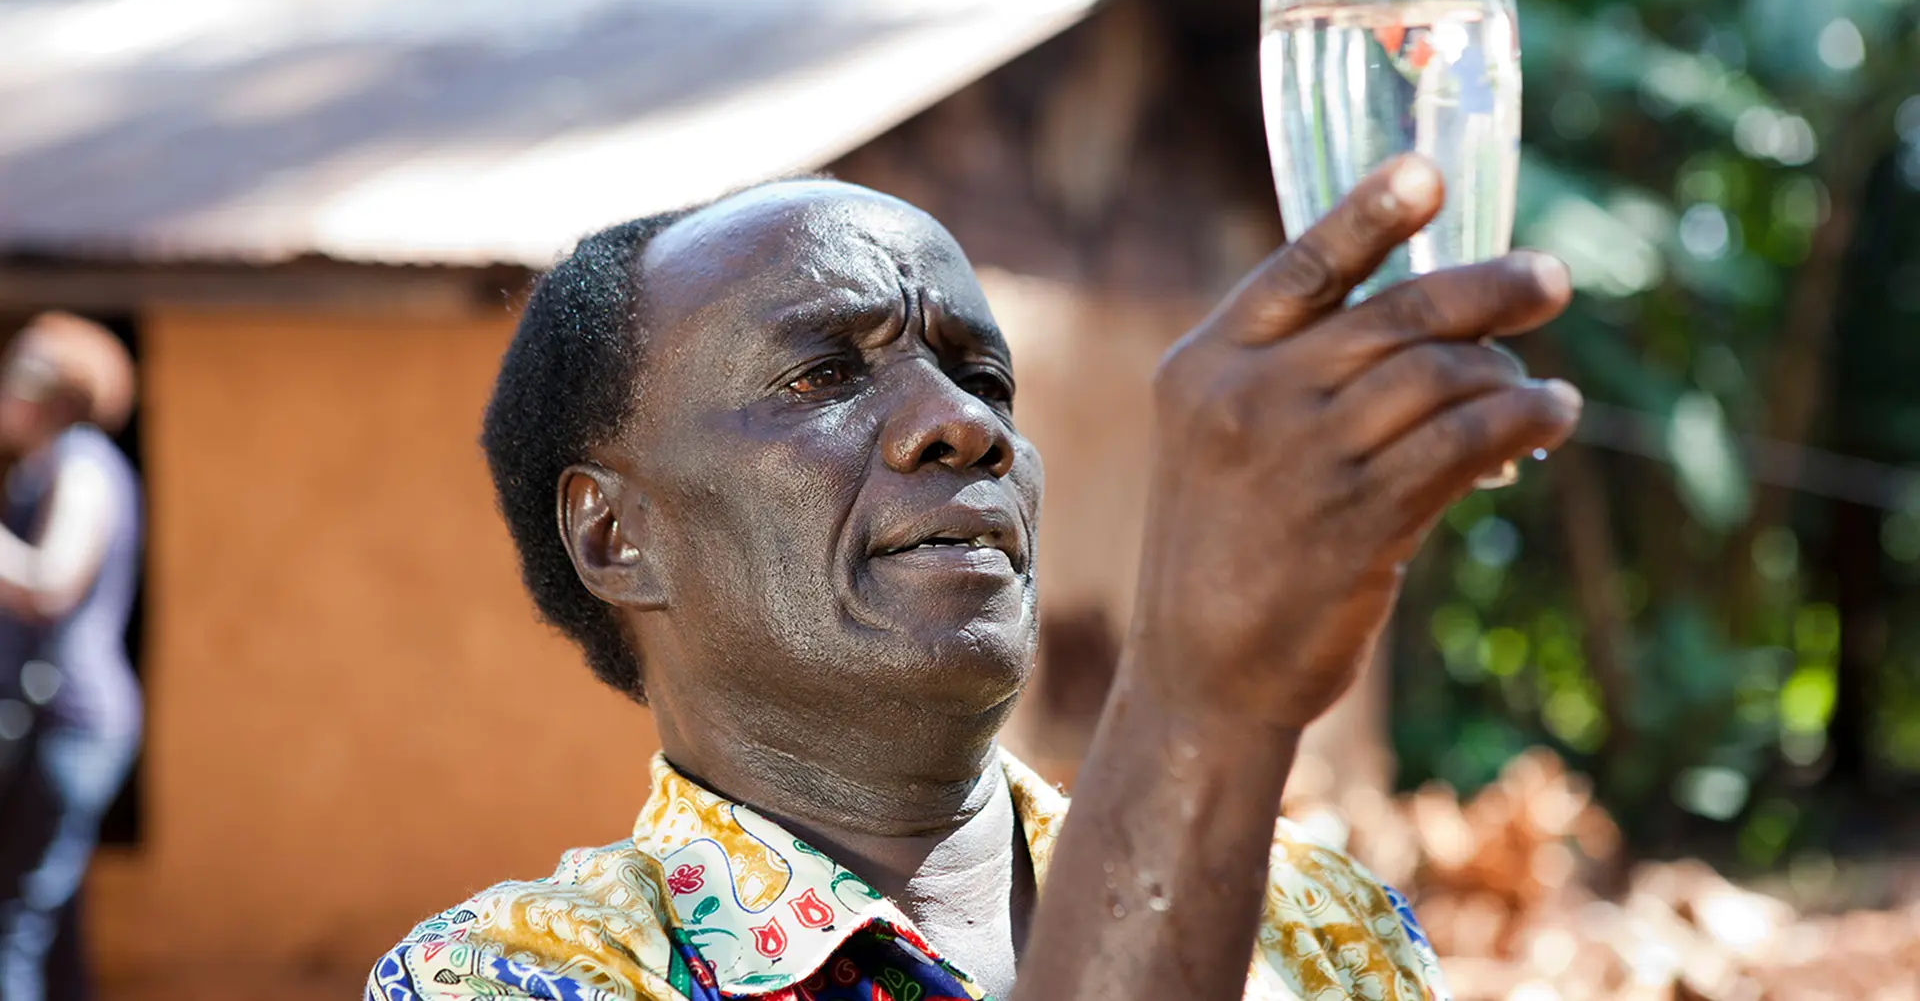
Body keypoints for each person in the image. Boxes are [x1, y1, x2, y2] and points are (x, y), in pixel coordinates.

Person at [369, 156, 1582, 1001]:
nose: (962, 426)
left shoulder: (1323, 924)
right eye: (822, 379)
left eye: (984, 379)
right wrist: (1199, 704)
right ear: (614, 536)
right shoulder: (516, 974)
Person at [0, 314, 143, 1001]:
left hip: (71, 722)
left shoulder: (80, 463)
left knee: (15, 922)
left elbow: (51, 581)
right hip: (56, 723)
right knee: (49, 922)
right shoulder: (47, 468)